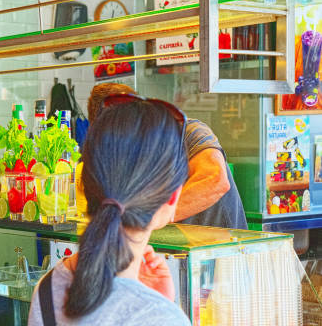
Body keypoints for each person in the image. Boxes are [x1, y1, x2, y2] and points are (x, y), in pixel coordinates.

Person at [29, 99, 190, 325]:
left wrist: (155, 302)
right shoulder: (162, 318)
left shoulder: (48, 288)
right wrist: (161, 306)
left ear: (84, 185)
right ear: (173, 196)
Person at [78, 83, 247, 229]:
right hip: (178, 253)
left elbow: (215, 180)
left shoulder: (188, 131)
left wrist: (157, 218)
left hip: (224, 251)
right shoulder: (127, 155)